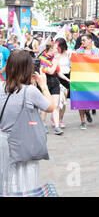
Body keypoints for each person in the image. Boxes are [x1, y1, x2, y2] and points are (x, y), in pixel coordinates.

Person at [0, 49, 55, 193]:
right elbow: (50, 107)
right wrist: (43, 86)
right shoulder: (30, 91)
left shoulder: (1, 87)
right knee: (24, 182)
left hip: (3, 143)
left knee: (5, 180)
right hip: (24, 143)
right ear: (27, 69)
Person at [39, 42, 70, 136]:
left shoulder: (53, 58)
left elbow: (58, 72)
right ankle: (43, 125)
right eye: (56, 48)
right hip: (45, 83)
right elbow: (50, 71)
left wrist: (68, 79)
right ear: (51, 49)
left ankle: (57, 127)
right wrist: (56, 61)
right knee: (44, 105)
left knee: (56, 105)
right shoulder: (42, 59)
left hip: (55, 82)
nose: (58, 49)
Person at [75, 33, 99, 129]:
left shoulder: (97, 51)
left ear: (90, 40)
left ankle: (87, 111)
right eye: (81, 40)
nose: (82, 42)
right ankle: (82, 121)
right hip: (81, 78)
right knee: (80, 100)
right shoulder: (78, 51)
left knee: (90, 99)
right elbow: (73, 64)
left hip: (92, 79)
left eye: (84, 40)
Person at [55, 38, 71, 129]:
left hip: (66, 77)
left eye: (59, 46)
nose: (57, 48)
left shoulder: (69, 53)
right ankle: (55, 118)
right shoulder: (55, 54)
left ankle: (60, 119)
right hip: (57, 77)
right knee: (57, 100)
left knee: (64, 101)